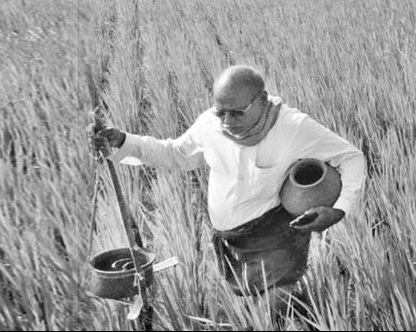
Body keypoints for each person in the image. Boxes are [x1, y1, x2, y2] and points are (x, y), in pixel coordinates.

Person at [91, 65, 367, 302]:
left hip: (274, 234)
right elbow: (176, 154)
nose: (227, 121)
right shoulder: (210, 124)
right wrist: (124, 141)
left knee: (275, 300)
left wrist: (339, 210)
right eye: (220, 112)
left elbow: (351, 158)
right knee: (256, 300)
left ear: (261, 100)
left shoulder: (293, 127)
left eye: (237, 113)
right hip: (232, 240)